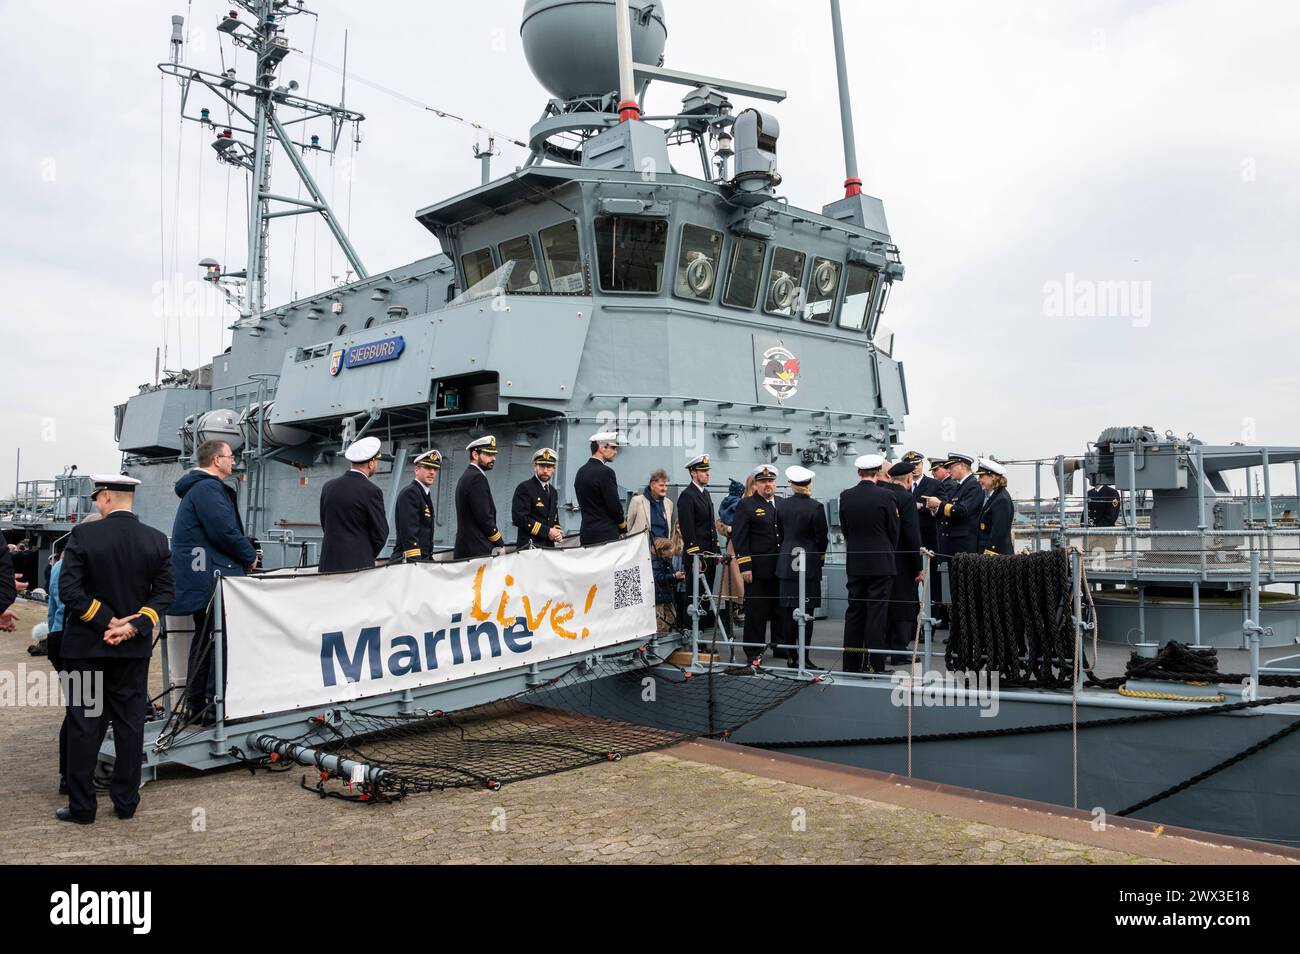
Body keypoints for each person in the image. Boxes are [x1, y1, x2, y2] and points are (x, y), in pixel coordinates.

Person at [56, 475, 174, 824]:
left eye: (97, 498)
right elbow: (165, 593)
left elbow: (69, 591)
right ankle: (125, 802)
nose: (96, 503)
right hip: (132, 652)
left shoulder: (83, 535)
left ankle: (83, 808)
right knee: (129, 724)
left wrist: (106, 621)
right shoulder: (156, 540)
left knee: (83, 725)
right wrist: (132, 626)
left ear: (106, 496)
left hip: (85, 651)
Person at [170, 439, 258, 720]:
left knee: (207, 637)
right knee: (215, 639)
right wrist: (249, 554)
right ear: (217, 460)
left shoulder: (198, 489)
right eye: (230, 457)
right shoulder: (208, 489)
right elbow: (223, 530)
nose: (234, 461)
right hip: (213, 579)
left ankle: (200, 703)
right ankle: (209, 704)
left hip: (203, 577)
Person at [839, 454, 900, 673]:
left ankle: (851, 664)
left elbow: (845, 529)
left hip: (855, 562)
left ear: (859, 473)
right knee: (876, 613)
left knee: (855, 612)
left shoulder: (846, 496)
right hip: (881, 563)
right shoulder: (887, 496)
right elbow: (894, 531)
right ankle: (875, 665)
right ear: (878, 473)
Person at [775, 465, 828, 668]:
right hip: (809, 563)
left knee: (788, 612)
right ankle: (804, 658)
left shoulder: (781, 505)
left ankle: (791, 656)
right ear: (809, 484)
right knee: (807, 612)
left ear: (792, 484)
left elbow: (780, 531)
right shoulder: (816, 507)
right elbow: (821, 538)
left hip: (787, 562)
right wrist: (820, 558)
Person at [731, 464, 784, 660]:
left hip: (779, 568)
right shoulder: (746, 505)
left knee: (780, 610)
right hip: (758, 570)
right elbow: (739, 538)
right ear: (755, 485)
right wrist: (745, 566)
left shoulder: (781, 503)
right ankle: (754, 650)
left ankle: (780, 646)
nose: (767, 485)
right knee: (757, 612)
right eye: (763, 482)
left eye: (770, 481)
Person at [319, 436, 390, 571]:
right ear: (371, 464)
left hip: (328, 563)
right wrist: (365, 554)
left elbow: (325, 524)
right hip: (356, 566)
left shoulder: (328, 487)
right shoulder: (371, 491)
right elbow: (380, 533)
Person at [885, 459, 924, 664]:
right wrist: (918, 566)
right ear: (909, 479)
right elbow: (912, 534)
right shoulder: (906, 499)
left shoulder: (884, 495)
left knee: (887, 604)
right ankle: (899, 652)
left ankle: (883, 648)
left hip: (884, 559)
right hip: (903, 560)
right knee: (904, 605)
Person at [45, 542, 69, 793]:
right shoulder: (71, 566)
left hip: (57, 638)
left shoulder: (59, 565)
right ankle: (70, 774)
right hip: (70, 641)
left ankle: (69, 772)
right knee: (83, 709)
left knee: (78, 708)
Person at [454, 435, 504, 558]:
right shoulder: (477, 478)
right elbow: (484, 517)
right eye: (488, 455)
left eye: (494, 455)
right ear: (475, 455)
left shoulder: (467, 475)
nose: (493, 458)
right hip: (477, 550)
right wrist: (499, 542)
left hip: (468, 548)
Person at [574, 431, 626, 545]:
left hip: (586, 533)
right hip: (606, 535)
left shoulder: (581, 472)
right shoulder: (606, 472)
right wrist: (623, 526)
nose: (615, 452)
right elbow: (614, 506)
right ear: (602, 448)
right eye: (613, 447)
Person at [512, 447, 564, 549]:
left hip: (548, 547)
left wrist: (557, 533)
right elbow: (519, 518)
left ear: (554, 469)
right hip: (530, 547)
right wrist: (548, 531)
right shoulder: (525, 488)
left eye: (549, 467)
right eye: (542, 466)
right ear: (535, 466)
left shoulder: (553, 491)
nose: (545, 470)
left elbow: (553, 518)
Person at [394, 449, 441, 561]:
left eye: (435, 469)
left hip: (422, 559)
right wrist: (415, 562)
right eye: (428, 468)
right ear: (416, 470)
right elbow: (409, 532)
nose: (432, 472)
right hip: (411, 561)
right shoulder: (410, 493)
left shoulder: (422, 493)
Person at [676, 454, 716, 563]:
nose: (708, 474)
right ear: (693, 473)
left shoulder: (706, 493)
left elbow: (711, 525)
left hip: (709, 554)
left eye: (708, 470)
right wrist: (695, 556)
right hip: (697, 556)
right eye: (703, 471)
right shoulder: (687, 496)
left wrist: (716, 550)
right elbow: (688, 529)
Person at [976, 458, 1016, 555]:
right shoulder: (994, 496)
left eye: (981, 476)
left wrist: (988, 555)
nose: (979, 480)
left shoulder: (1001, 499)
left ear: (992, 476)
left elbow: (998, 532)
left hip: (996, 555)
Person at [627, 468, 676, 542]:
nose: (665, 488)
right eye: (661, 485)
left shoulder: (669, 503)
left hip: (662, 549)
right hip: (642, 547)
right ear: (652, 485)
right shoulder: (637, 501)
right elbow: (629, 526)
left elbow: (669, 528)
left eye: (666, 486)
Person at [651, 537, 684, 633]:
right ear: (661, 550)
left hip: (666, 595)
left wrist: (677, 578)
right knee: (659, 619)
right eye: (669, 549)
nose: (671, 551)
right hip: (658, 596)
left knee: (672, 615)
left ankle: (662, 635)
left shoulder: (666, 561)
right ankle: (659, 639)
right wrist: (674, 576)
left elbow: (669, 577)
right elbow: (658, 578)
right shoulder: (655, 562)